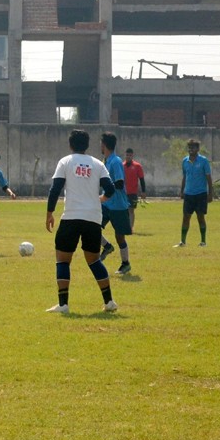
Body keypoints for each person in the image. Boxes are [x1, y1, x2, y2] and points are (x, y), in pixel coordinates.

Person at [45, 129, 117, 314]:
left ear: (70, 145)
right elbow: (110, 188)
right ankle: (109, 301)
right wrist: (99, 199)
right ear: (87, 145)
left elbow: (55, 189)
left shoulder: (66, 162)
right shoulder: (97, 164)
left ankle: (63, 305)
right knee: (93, 260)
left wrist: (49, 213)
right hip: (93, 218)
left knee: (63, 260)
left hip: (71, 217)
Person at [98, 132, 133, 275]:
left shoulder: (116, 161)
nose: (100, 146)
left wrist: (106, 194)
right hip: (106, 205)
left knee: (120, 237)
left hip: (118, 205)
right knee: (92, 227)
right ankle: (107, 246)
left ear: (104, 145)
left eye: (101, 143)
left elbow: (119, 183)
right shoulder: (105, 161)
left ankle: (126, 263)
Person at [175, 139, 213, 247]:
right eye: (189, 147)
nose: (190, 149)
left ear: (198, 149)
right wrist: (182, 191)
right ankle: (182, 241)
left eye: (193, 147)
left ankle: (203, 241)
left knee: (200, 217)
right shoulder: (185, 161)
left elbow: (208, 178)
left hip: (200, 194)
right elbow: (185, 176)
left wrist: (210, 193)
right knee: (186, 217)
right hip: (189, 194)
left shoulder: (203, 161)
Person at [123, 147, 146, 231]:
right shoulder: (122, 166)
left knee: (131, 210)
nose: (128, 156)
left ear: (132, 156)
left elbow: (142, 179)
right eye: (127, 155)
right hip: (123, 192)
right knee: (124, 211)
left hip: (133, 192)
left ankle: (130, 228)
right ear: (125, 155)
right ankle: (125, 226)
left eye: (130, 155)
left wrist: (143, 191)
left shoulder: (137, 166)